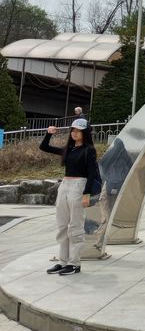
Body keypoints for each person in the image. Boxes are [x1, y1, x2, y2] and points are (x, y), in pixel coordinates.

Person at [39, 118, 98, 276]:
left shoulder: (89, 150)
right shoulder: (69, 149)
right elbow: (44, 147)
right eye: (73, 130)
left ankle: (74, 263)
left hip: (79, 186)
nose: (74, 133)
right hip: (65, 185)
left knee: (75, 226)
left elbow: (92, 173)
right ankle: (62, 261)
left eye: (78, 131)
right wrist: (48, 134)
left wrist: (87, 194)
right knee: (62, 224)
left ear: (85, 133)